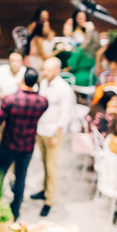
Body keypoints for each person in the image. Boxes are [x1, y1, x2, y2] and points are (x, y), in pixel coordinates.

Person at [0, 68, 48, 218]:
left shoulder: (10, 100)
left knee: (0, 173)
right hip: (28, 146)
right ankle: (15, 211)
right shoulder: (42, 102)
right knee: (21, 178)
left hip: (9, 143)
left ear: (22, 80)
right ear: (36, 82)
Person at [34, 57, 76, 217]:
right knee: (44, 162)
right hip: (42, 129)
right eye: (44, 69)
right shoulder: (44, 83)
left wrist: (56, 135)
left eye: (48, 70)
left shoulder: (64, 89)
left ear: (57, 71)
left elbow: (65, 114)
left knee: (52, 167)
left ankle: (49, 200)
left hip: (53, 132)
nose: (45, 73)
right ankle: (44, 190)